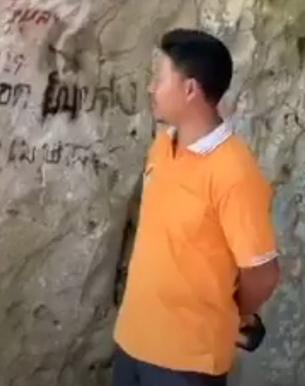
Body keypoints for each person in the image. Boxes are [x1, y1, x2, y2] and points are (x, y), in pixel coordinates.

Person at [113, 29, 281, 386]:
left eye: (159, 78)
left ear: (190, 90)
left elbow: (262, 273)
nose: (151, 88)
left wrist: (232, 313)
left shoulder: (233, 172)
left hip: (187, 360)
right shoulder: (162, 145)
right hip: (132, 341)